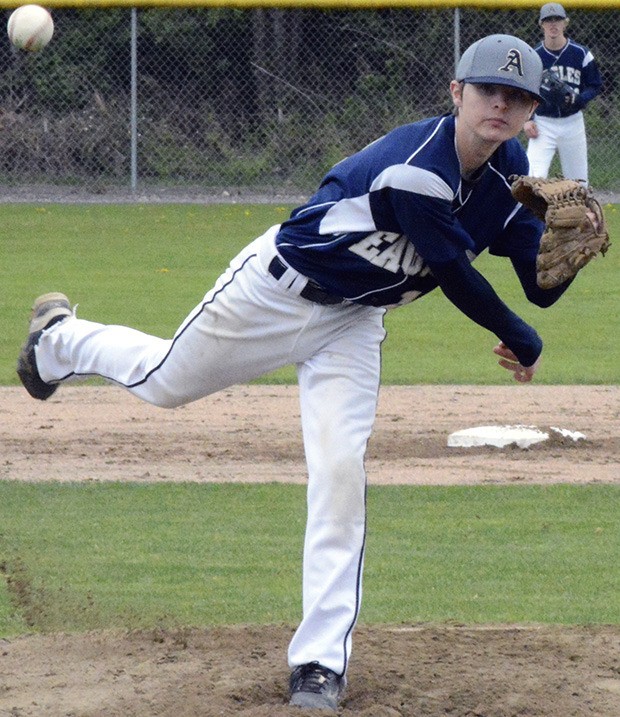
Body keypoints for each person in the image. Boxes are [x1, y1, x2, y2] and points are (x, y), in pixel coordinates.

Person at [17, 34, 578, 712]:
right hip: (275, 293)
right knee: (165, 381)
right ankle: (60, 340)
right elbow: (458, 277)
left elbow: (533, 279)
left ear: (528, 114)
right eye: (489, 89)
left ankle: (319, 663)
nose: (502, 104)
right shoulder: (416, 168)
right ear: (456, 93)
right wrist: (521, 336)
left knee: (341, 469)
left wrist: (563, 253)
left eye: (517, 98)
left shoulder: (509, 170)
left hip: (354, 322)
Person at [524, 2, 603, 184]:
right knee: (532, 179)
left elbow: (595, 84)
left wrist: (580, 99)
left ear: (565, 23)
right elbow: (525, 92)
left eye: (557, 19)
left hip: (572, 122)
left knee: (579, 183)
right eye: (548, 20)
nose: (553, 24)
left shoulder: (580, 53)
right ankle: (531, 214)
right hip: (543, 123)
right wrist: (527, 120)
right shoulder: (534, 56)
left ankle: (580, 214)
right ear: (541, 24)